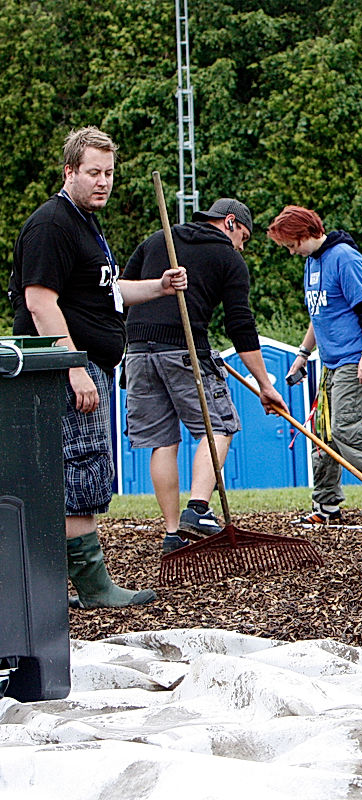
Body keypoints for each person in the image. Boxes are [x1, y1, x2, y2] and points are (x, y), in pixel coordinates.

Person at [9, 126, 188, 608]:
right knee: (79, 472)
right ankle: (92, 586)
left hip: (87, 364)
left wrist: (159, 286)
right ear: (69, 171)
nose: (103, 182)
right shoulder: (53, 225)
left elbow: (108, 294)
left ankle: (51, 588)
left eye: (109, 173)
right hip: (67, 368)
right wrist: (74, 367)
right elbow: (40, 303)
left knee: (73, 473)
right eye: (93, 172)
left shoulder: (85, 222)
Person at [122, 197, 286, 554]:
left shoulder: (157, 239)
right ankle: (198, 508)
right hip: (184, 349)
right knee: (220, 426)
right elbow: (240, 325)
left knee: (162, 441)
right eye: (243, 236)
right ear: (230, 222)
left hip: (136, 351)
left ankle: (171, 534)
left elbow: (119, 291)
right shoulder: (228, 257)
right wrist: (265, 384)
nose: (242, 245)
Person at [266, 205, 362, 524]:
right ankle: (326, 506)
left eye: (292, 245)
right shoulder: (312, 262)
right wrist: (302, 355)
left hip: (358, 358)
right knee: (321, 435)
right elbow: (319, 315)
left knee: (344, 427)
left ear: (307, 233)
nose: (292, 252)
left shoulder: (345, 259)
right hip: (332, 362)